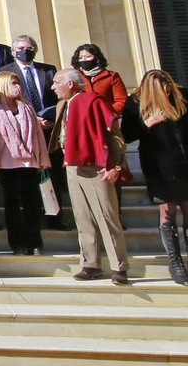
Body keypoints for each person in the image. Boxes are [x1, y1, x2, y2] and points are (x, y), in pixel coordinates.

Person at [122, 69, 188, 286]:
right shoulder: (135, 102)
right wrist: (147, 123)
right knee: (167, 212)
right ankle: (176, 264)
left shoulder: (182, 96)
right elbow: (126, 135)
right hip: (160, 167)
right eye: (162, 90)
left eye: (168, 88)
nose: (166, 93)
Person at [52, 68, 130, 285]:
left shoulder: (95, 101)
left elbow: (114, 134)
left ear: (70, 84)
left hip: (98, 167)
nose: (53, 87)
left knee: (107, 216)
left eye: (56, 82)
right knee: (82, 216)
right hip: (72, 166)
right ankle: (90, 264)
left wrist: (117, 165)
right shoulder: (62, 105)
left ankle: (119, 266)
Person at [0, 35, 65, 231]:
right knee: (24, 187)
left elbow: (58, 100)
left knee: (51, 176)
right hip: (21, 134)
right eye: (20, 47)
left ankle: (55, 218)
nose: (25, 50)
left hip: (48, 130)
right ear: (13, 50)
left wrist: (50, 120)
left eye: (29, 47)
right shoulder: (5, 71)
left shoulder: (48, 70)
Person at [0, 71, 47, 256]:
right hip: (6, 163)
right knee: (12, 204)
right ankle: (17, 244)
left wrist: (42, 159)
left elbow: (38, 135)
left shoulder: (26, 106)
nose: (16, 86)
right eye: (12, 83)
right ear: (2, 85)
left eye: (17, 82)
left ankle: (35, 242)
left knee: (32, 204)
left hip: (29, 162)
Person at [72, 43, 128, 114]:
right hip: (83, 118)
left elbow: (121, 100)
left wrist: (108, 114)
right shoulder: (75, 76)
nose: (84, 60)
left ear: (97, 58)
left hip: (106, 118)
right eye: (80, 58)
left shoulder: (112, 76)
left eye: (88, 56)